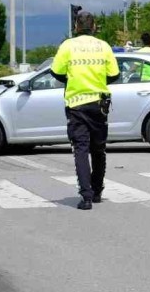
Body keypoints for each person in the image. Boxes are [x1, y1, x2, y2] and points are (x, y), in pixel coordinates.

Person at [51, 12, 120, 210]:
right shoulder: (103, 46)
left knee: (81, 149)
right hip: (99, 104)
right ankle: (97, 191)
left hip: (76, 104)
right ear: (94, 26)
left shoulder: (68, 46)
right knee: (98, 149)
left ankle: (86, 197)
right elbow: (114, 75)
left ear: (76, 26)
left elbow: (55, 71)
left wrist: (73, 79)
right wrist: (98, 81)